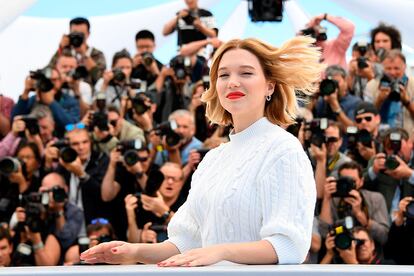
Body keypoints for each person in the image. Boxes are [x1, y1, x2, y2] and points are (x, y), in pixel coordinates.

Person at [81, 36, 323, 266]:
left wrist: (220, 251)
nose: (233, 82)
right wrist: (133, 252)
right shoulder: (213, 160)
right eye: (223, 74)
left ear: (269, 86)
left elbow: (288, 246)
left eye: (246, 73)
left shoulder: (284, 149)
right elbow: (186, 243)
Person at [49, 17, 106, 85]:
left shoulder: (97, 54)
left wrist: (84, 54)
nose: (77, 37)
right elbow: (49, 71)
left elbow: (100, 79)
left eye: (81, 34)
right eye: (74, 33)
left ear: (88, 34)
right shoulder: (64, 52)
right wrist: (61, 47)